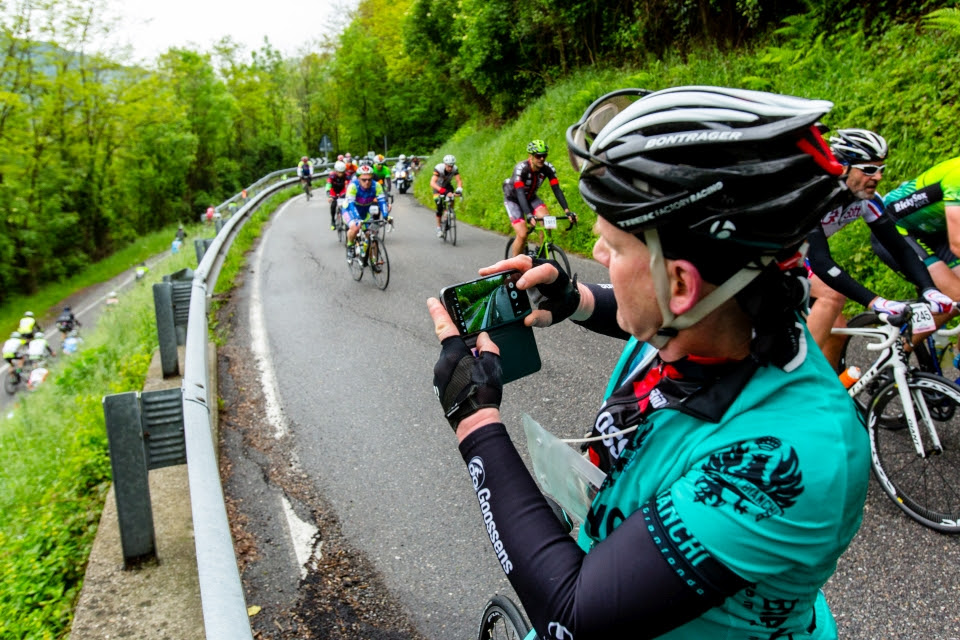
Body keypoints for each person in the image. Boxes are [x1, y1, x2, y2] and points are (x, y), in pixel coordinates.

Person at [427, 86, 869, 639]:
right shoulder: (730, 314)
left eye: (612, 247)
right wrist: (574, 299)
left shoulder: (790, 454)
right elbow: (643, 309)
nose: (598, 254)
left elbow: (572, 618)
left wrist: (475, 421)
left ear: (679, 284)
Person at [805, 129, 952, 367]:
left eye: (881, 169)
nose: (878, 177)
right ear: (843, 167)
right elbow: (821, 262)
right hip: (767, 256)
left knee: (836, 332)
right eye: (869, 170)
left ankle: (829, 389)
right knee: (832, 295)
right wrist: (876, 302)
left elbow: (900, 248)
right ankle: (794, 382)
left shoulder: (868, 200)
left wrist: (929, 288)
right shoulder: (814, 196)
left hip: (798, 253)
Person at [870, 157, 960, 301]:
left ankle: (927, 307)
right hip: (896, 227)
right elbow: (957, 244)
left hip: (936, 230)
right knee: (956, 297)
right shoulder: (956, 179)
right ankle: (916, 314)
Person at [504, 140, 574, 259]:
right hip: (514, 199)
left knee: (547, 220)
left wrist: (567, 211)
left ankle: (541, 253)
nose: (541, 159)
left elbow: (556, 189)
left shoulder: (548, 168)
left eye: (544, 155)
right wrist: (529, 215)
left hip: (531, 197)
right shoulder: (521, 169)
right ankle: (514, 265)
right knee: (522, 234)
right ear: (530, 156)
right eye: (538, 156)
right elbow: (520, 193)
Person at [343, 165, 390, 261]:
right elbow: (351, 204)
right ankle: (350, 246)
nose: (367, 182)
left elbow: (382, 201)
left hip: (365, 211)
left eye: (369, 179)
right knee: (355, 228)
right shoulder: (353, 186)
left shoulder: (376, 185)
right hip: (349, 210)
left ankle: (370, 258)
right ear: (358, 178)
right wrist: (357, 218)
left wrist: (386, 216)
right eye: (364, 180)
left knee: (371, 232)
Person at [430, 154, 463, 238]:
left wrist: (459, 189)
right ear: (445, 164)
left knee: (452, 196)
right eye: (448, 166)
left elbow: (458, 180)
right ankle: (438, 228)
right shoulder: (439, 168)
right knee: (439, 207)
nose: (450, 168)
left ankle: (449, 211)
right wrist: (442, 191)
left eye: (451, 166)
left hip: (447, 185)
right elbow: (432, 183)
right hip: (437, 187)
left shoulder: (455, 168)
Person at [327, 160, 350, 230]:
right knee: (333, 205)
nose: (340, 174)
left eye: (342, 172)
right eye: (339, 172)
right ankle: (333, 221)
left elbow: (351, 183)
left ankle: (346, 220)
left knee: (346, 205)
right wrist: (329, 195)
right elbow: (328, 185)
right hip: (333, 190)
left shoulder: (347, 175)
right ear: (336, 171)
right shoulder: (332, 175)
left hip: (342, 190)